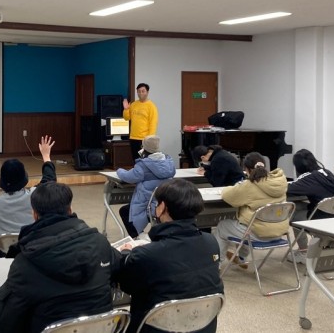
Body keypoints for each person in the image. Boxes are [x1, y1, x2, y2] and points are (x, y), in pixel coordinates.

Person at [0, 181, 123, 333]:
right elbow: (121, 270)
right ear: (70, 209)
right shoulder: (100, 244)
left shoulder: (26, 263)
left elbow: (5, 323)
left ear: (34, 214)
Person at [117, 179, 224, 333]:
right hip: (203, 327)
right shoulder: (211, 242)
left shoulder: (146, 255)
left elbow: (126, 285)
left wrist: (127, 253)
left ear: (162, 207)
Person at [0, 136, 56, 254]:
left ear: (1, 182)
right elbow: (49, 180)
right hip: (31, 255)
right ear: (24, 179)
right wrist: (46, 156)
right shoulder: (36, 197)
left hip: (2, 257)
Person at [213, 152, 288, 266]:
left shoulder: (249, 185)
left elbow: (228, 196)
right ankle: (242, 258)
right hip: (279, 232)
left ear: (246, 169)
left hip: (259, 234)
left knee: (223, 226)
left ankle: (216, 264)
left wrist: (232, 187)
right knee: (244, 221)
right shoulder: (280, 183)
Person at [286, 149, 334, 263]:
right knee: (299, 206)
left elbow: (287, 188)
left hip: (321, 219)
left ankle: (303, 251)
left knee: (293, 211)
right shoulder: (326, 172)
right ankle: (327, 243)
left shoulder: (308, 178)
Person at [117, 135, 176, 238]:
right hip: (165, 203)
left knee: (125, 211)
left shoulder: (143, 165)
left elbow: (129, 177)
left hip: (149, 205)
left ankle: (137, 237)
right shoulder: (168, 162)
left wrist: (119, 170)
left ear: (144, 148)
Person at [123, 83, 159, 161]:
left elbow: (153, 124)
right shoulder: (133, 104)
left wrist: (149, 139)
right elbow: (126, 118)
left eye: (143, 91)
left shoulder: (151, 106)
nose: (141, 93)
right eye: (139, 91)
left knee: (144, 160)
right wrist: (126, 109)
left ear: (147, 92)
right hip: (133, 138)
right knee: (136, 160)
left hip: (144, 139)